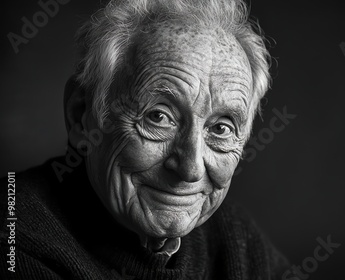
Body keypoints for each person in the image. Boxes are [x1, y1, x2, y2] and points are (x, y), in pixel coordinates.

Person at [0, 0, 289, 279]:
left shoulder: (235, 237)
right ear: (81, 115)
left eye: (221, 129)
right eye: (159, 117)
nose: (190, 169)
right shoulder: (14, 238)